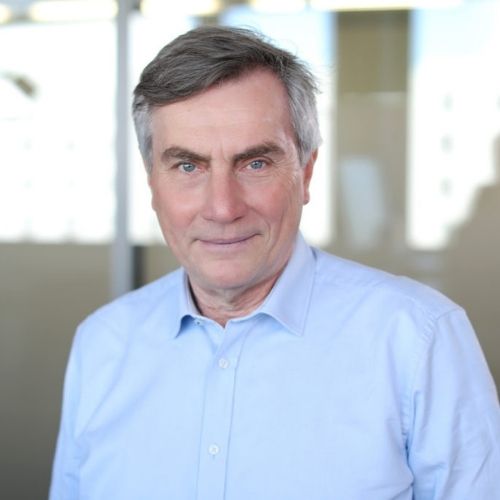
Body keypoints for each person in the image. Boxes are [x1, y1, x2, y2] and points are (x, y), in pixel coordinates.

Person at [49, 26, 500, 500]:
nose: (222, 208)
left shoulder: (417, 339)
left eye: (255, 164)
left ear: (305, 172)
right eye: (188, 166)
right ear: (151, 182)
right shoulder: (102, 345)